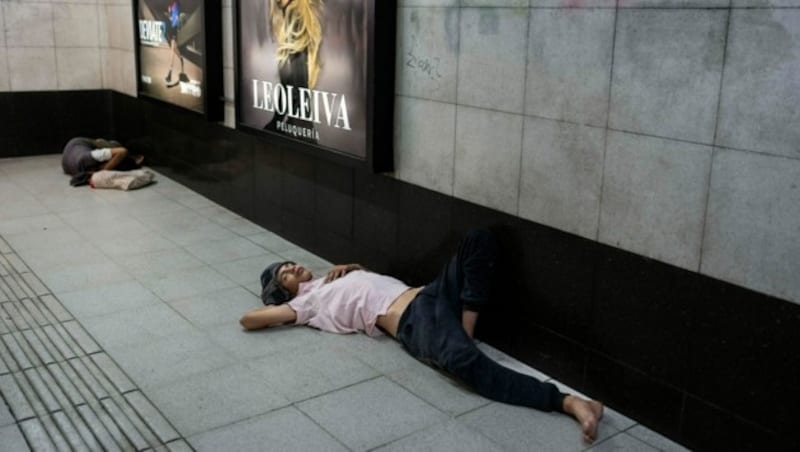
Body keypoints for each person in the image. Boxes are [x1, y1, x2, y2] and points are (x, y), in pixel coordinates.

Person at [240, 230, 605, 443]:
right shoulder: (308, 305)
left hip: (429, 293)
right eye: (285, 273)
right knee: (465, 365)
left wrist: (353, 267)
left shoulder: (332, 277)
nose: (292, 267)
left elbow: (367, 287)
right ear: (284, 291)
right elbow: (250, 319)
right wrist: (278, 305)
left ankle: (465, 328)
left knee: (480, 239)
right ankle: (567, 402)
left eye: (290, 262)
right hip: (413, 322)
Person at [263, 0, 323, 142]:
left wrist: (278, 122)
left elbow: (297, 85)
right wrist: (276, 121)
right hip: (297, 123)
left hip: (298, 125)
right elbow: (288, 85)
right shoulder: (292, 16)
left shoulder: (296, 17)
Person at [61, 137, 143, 178]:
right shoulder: (76, 170)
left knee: (114, 145)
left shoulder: (90, 157)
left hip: (79, 142)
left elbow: (122, 151)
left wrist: (104, 170)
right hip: (71, 150)